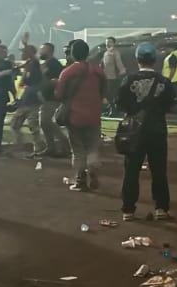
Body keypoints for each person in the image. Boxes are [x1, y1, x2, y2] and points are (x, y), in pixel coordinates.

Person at [116, 41, 177, 221]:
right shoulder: (164, 81)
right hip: (157, 128)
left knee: (131, 171)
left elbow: (119, 103)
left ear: (137, 59)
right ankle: (161, 208)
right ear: (155, 60)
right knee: (159, 170)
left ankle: (128, 210)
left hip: (134, 131)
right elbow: (170, 104)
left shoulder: (129, 80)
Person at [55, 39, 106, 191]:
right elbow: (104, 91)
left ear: (72, 53)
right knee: (92, 148)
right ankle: (93, 171)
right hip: (94, 115)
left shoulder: (68, 72)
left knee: (78, 150)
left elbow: (59, 94)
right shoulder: (97, 70)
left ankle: (80, 181)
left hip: (74, 116)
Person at [35, 42, 66, 157]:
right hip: (46, 98)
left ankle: (65, 145)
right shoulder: (46, 63)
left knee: (47, 122)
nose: (40, 51)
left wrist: (48, 84)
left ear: (49, 51)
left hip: (52, 98)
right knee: (44, 123)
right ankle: (51, 147)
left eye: (43, 49)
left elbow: (58, 80)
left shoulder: (53, 64)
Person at [11, 44, 42, 152]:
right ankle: (22, 146)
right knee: (16, 124)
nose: (22, 54)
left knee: (32, 126)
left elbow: (33, 60)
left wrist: (26, 45)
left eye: (24, 52)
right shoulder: (29, 63)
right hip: (27, 99)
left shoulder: (34, 63)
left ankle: (37, 148)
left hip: (32, 99)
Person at [101, 37, 126, 116]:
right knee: (108, 95)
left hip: (113, 78)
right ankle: (111, 108)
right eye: (107, 42)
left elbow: (119, 63)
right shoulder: (105, 53)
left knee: (111, 95)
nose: (107, 44)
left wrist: (122, 71)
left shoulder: (115, 53)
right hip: (106, 77)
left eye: (109, 42)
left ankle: (113, 110)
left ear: (114, 43)